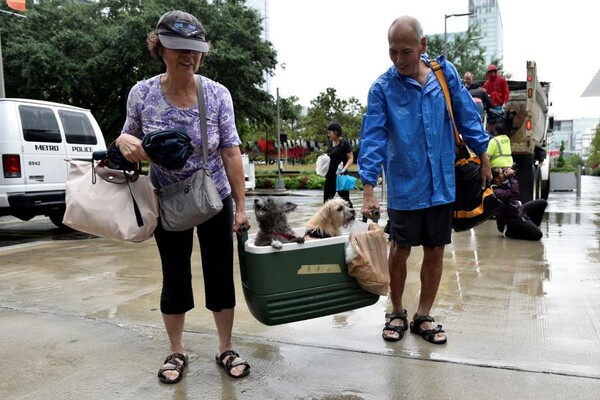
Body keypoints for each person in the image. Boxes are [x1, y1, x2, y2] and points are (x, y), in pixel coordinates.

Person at [115, 10, 251, 383]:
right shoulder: (141, 94)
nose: (188, 56)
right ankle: (176, 351)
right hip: (168, 199)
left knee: (220, 274)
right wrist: (123, 140)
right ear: (160, 48)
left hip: (213, 198)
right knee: (174, 277)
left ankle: (225, 347)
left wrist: (240, 207)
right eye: (179, 49)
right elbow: (127, 144)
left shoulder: (217, 94)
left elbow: (230, 151)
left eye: (195, 50)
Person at [359, 16, 491, 345]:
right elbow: (372, 137)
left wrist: (484, 154)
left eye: (406, 51)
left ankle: (424, 315)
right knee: (400, 249)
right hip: (405, 185)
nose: (400, 59)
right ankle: (397, 311)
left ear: (422, 45)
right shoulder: (382, 88)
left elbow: (465, 113)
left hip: (441, 183)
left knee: (435, 249)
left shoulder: (444, 75)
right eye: (393, 52)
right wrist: (368, 188)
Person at [491, 167, 547, 241]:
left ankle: (531, 226)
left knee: (542, 202)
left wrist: (511, 175)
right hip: (513, 218)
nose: (504, 174)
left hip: (517, 210)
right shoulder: (496, 192)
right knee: (537, 235)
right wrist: (510, 177)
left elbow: (515, 185)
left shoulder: (501, 183)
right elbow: (514, 192)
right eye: (501, 173)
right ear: (496, 179)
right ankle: (510, 232)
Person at [324, 122, 354, 208]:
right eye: (328, 132)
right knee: (327, 199)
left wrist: (344, 169)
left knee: (345, 199)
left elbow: (351, 158)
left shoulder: (344, 143)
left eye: (330, 132)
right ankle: (327, 218)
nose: (328, 134)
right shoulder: (329, 143)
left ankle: (350, 215)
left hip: (341, 175)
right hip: (330, 175)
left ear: (336, 132)